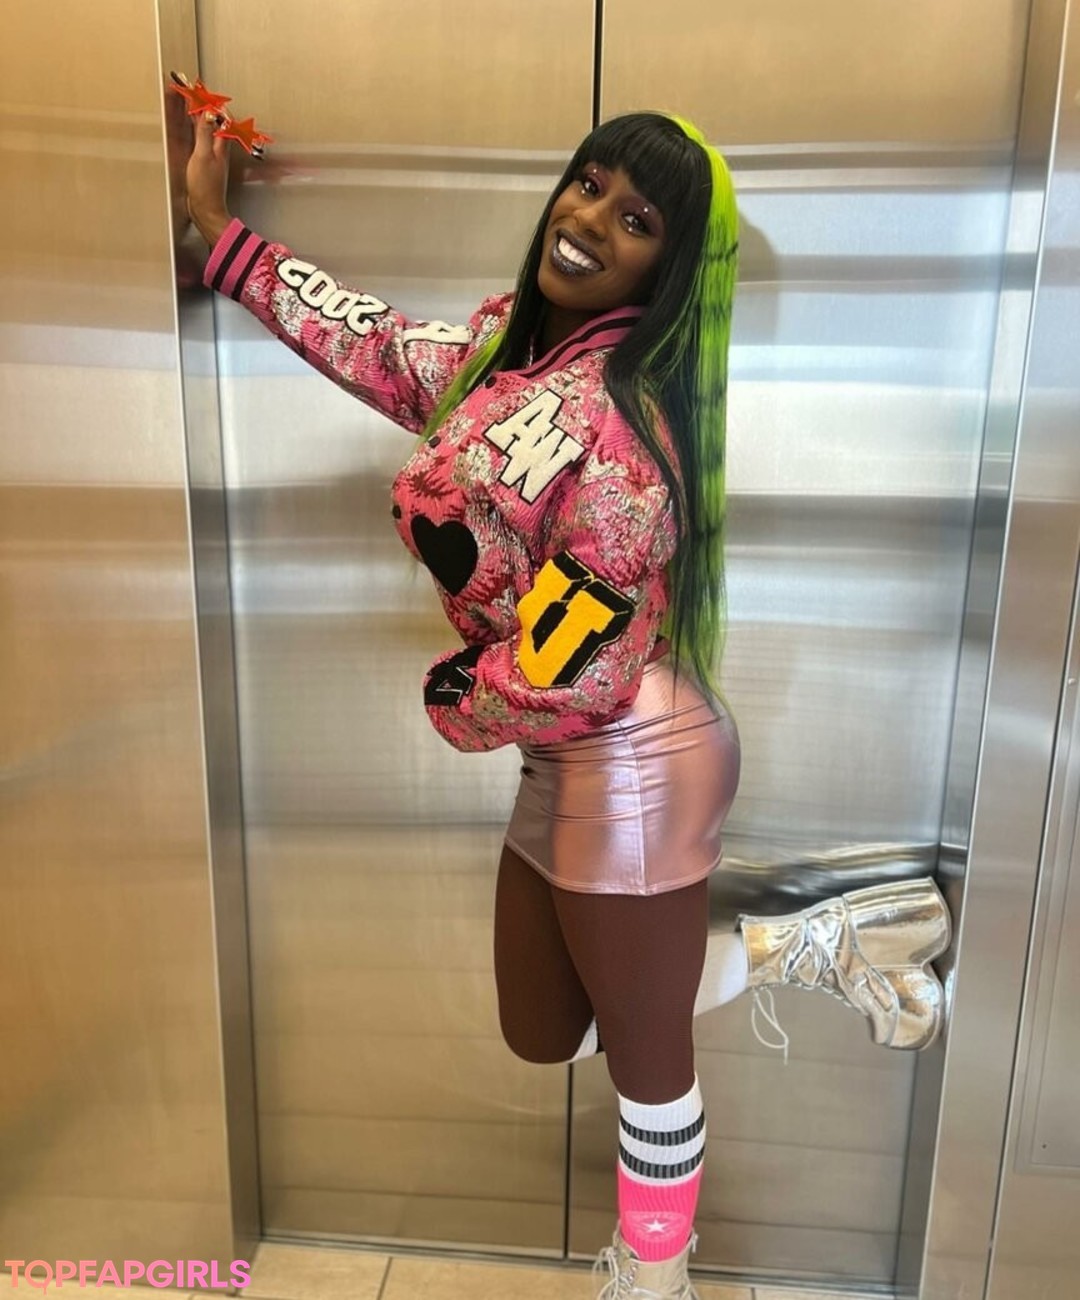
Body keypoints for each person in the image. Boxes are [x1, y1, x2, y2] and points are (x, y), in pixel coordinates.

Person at [185, 107, 950, 1300]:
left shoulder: (627, 430)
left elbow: (581, 655)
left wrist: (458, 700)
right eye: (588, 183)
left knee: (648, 1066)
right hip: (563, 748)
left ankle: (654, 1280)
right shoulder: (507, 357)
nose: (589, 218)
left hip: (633, 751)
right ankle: (805, 943)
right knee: (541, 1028)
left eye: (636, 217)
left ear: (668, 266)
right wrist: (221, 240)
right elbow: (378, 345)